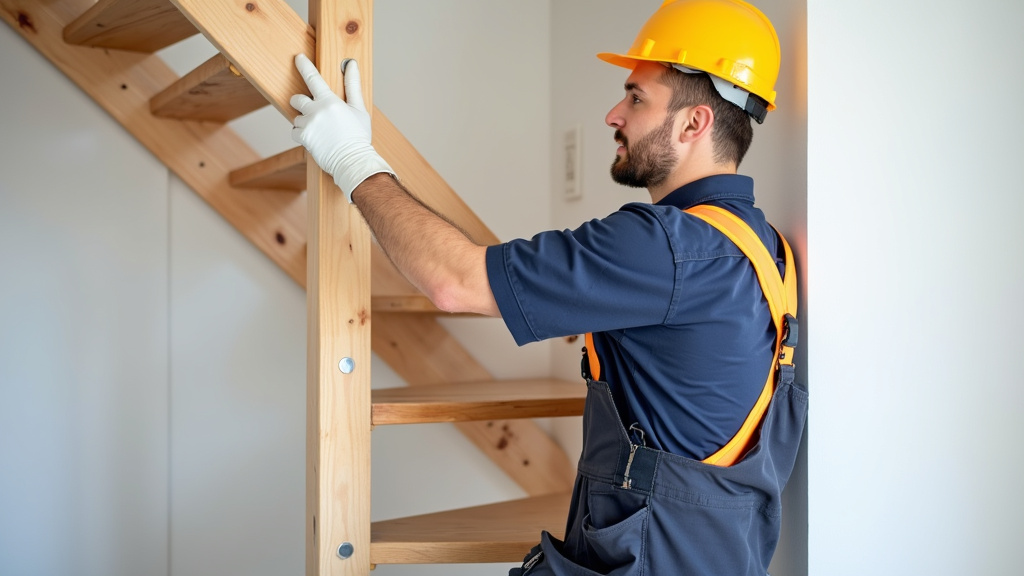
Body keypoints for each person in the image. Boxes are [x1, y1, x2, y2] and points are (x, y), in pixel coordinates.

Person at [289, 0, 807, 573]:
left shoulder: (663, 246)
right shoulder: (765, 250)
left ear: (693, 123)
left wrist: (351, 159)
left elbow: (455, 282)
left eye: (636, 97)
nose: (614, 113)